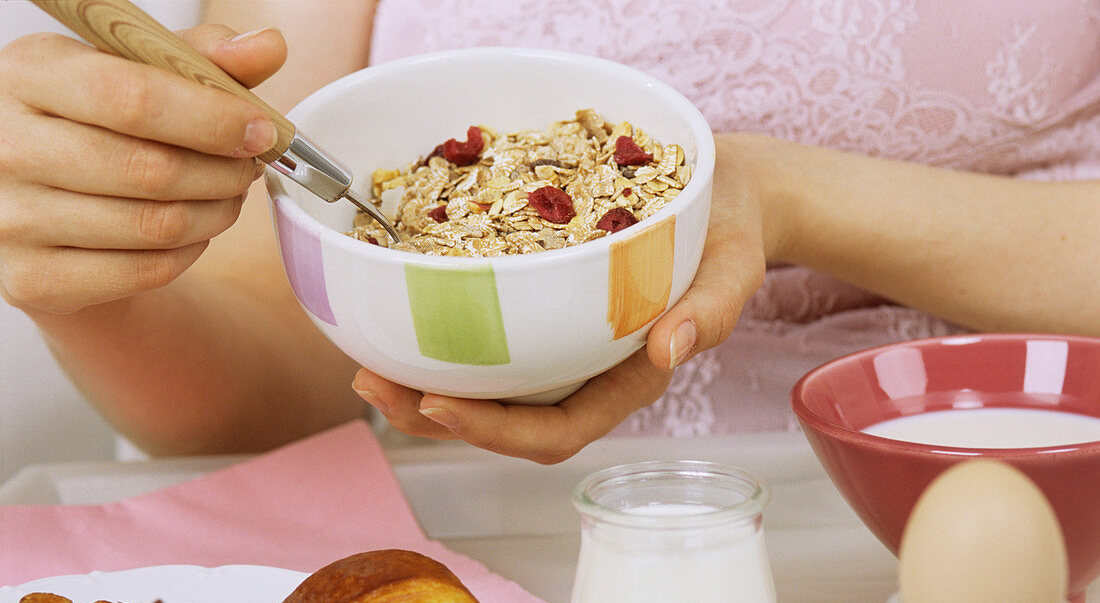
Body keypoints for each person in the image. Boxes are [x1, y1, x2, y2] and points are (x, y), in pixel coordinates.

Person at [1, 0, 1097, 465]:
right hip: (491, 579)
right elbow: (263, 376)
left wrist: (782, 197)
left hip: (1022, 499)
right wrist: (90, 273)